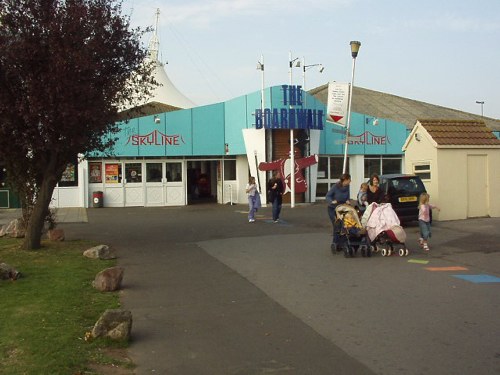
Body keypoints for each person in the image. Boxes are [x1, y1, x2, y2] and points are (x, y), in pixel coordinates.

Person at [326, 173, 351, 250]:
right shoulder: (335, 187)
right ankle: (335, 243)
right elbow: (328, 196)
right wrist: (331, 201)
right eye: (349, 180)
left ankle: (343, 243)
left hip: (342, 208)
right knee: (337, 225)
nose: (350, 181)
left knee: (344, 225)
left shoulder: (347, 187)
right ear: (345, 180)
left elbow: (347, 197)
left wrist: (348, 201)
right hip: (333, 209)